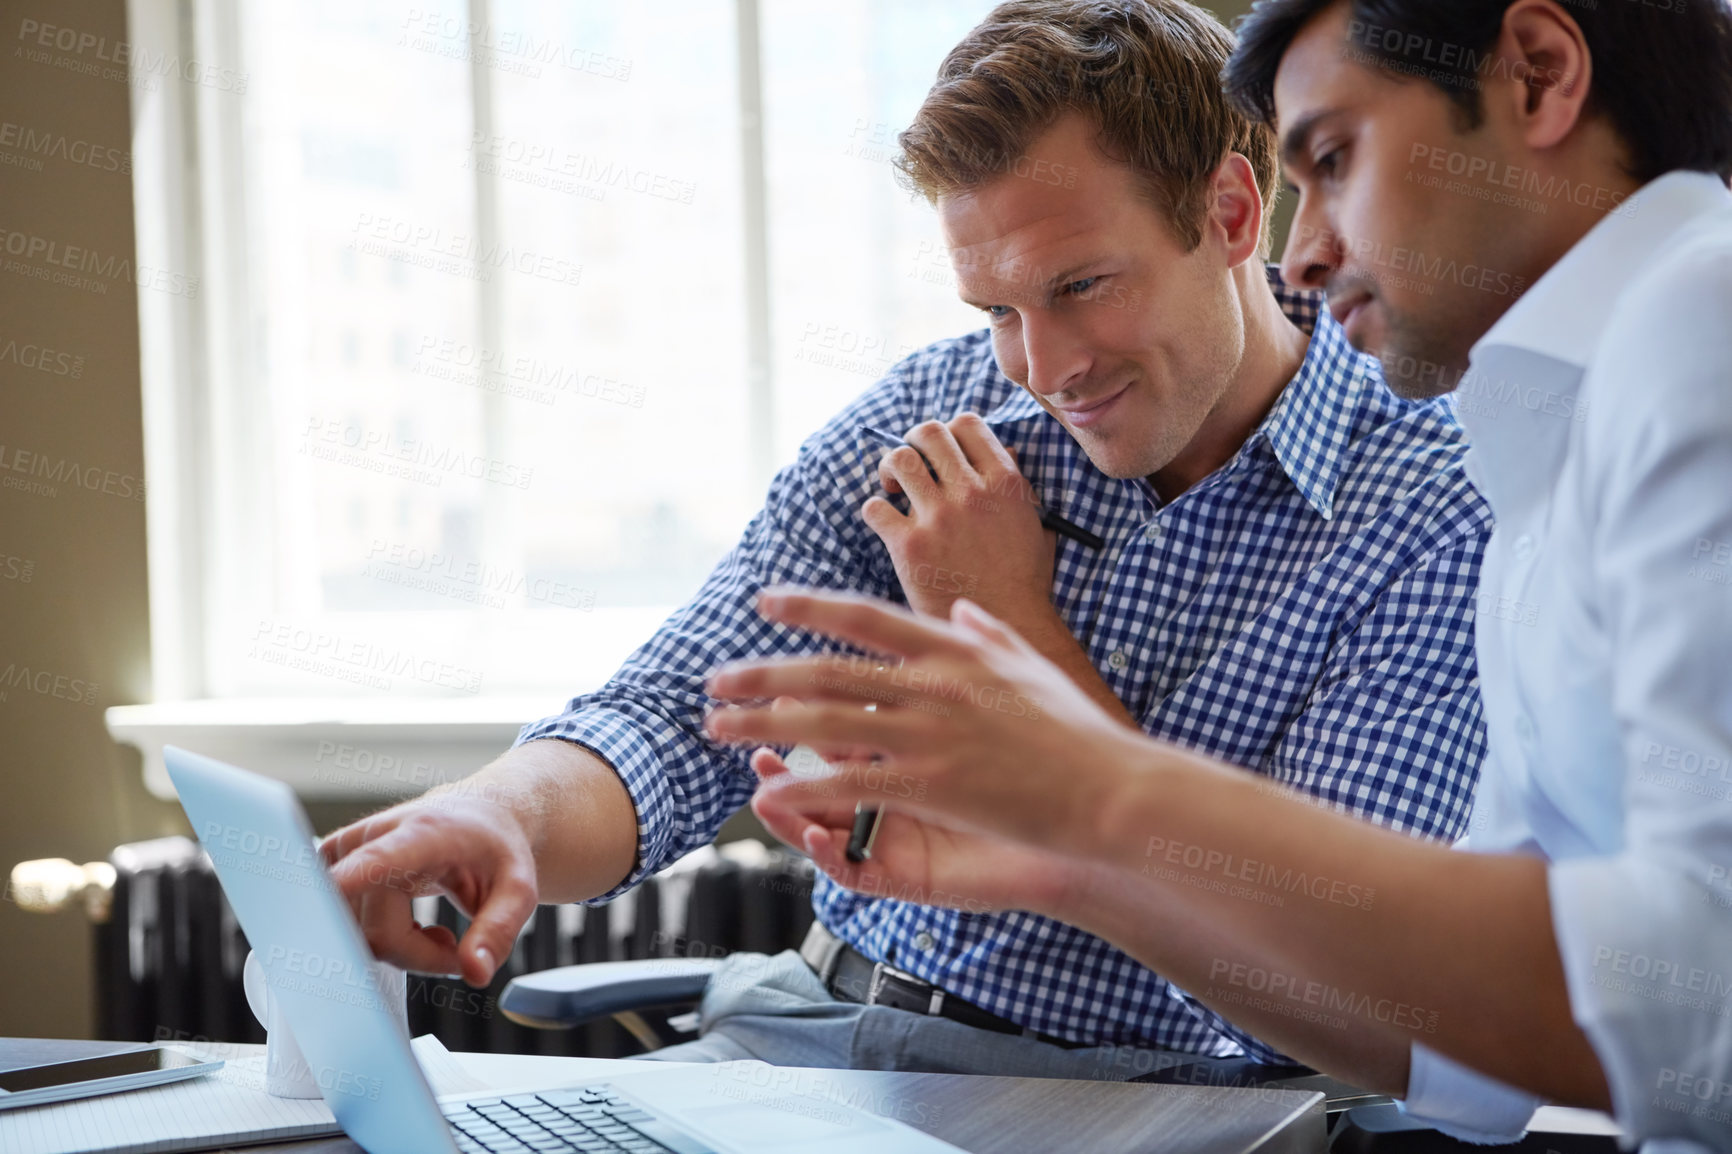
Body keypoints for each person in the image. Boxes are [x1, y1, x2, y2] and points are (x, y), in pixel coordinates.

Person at [320, 0, 1494, 1079]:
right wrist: (495, 816)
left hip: (1136, 1095)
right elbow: (679, 712)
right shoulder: (936, 416)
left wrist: (1005, 629)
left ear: (1229, 215)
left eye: (1082, 284)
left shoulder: (1430, 509)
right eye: (997, 309)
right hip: (801, 1030)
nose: (1044, 369)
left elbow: (1324, 968)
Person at [703, 0, 1732, 1145]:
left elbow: (1700, 994)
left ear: (1538, 75)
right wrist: (1077, 869)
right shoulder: (1537, 464)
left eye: (1334, 159)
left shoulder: (1699, 319)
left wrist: (1089, 787)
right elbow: (1434, 1049)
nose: (1302, 252)